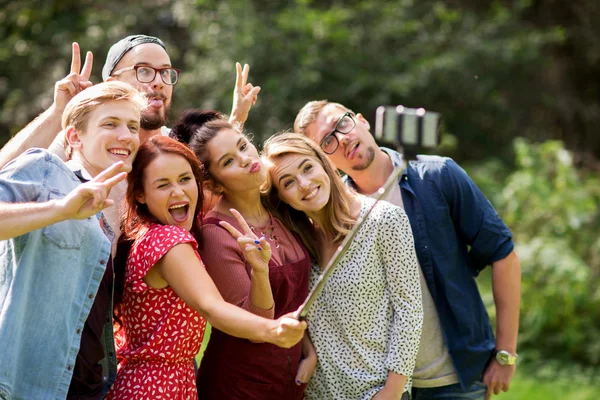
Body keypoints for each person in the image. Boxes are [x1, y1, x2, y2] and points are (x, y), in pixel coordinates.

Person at [294, 100, 522, 400]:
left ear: (362, 121)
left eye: (343, 124)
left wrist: (505, 353)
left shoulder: (438, 176)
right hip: (377, 385)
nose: (342, 139)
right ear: (324, 160)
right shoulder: (332, 215)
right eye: (327, 141)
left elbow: (502, 255)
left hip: (451, 380)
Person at [104, 135, 307, 399]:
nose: (178, 192)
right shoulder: (169, 240)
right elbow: (212, 306)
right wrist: (273, 331)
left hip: (147, 382)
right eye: (163, 185)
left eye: (185, 179)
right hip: (157, 389)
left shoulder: (144, 234)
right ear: (140, 194)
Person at [0, 35, 259, 231]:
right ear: (113, 84)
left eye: (165, 72)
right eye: (143, 71)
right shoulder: (82, 146)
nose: (158, 81)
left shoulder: (174, 150)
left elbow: (224, 177)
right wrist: (57, 113)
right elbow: (6, 171)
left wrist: (236, 119)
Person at [0, 81, 145, 399]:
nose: (127, 136)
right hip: (21, 385)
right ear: (74, 136)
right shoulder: (44, 170)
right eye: (111, 124)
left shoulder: (118, 210)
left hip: (88, 387)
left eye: (133, 126)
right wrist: (60, 210)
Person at [261, 132, 423, 400]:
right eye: (289, 182)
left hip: (376, 391)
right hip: (316, 394)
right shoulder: (295, 242)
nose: (304, 184)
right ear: (282, 198)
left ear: (324, 164)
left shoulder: (384, 220)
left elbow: (409, 312)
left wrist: (392, 391)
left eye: (307, 168)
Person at [169, 111, 316, 399]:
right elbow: (253, 324)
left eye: (243, 146)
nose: (246, 158)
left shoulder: (280, 205)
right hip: (240, 384)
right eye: (228, 161)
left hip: (289, 377)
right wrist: (260, 272)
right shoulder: (217, 233)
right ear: (213, 185)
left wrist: (308, 349)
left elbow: (296, 298)